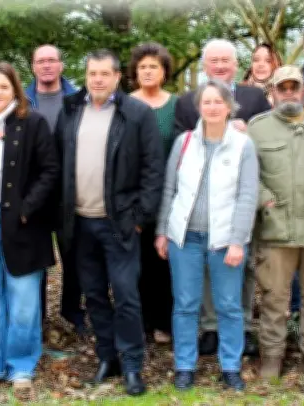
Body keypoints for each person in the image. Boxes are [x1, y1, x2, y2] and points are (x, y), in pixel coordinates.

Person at [55, 49, 163, 396]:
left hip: (119, 224)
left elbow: (153, 169)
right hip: (80, 222)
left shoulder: (137, 113)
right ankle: (107, 357)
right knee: (94, 295)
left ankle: (132, 365)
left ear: (118, 77)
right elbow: (58, 162)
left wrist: (139, 218)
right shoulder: (71, 109)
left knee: (127, 295)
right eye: (92, 73)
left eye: (105, 73)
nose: (98, 79)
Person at [0, 62, 60, 399]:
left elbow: (50, 170)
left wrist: (26, 208)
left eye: (4, 87)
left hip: (22, 223)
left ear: (15, 90)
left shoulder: (33, 123)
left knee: (23, 300)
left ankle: (20, 365)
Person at [156, 79, 258, 391]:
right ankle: (185, 366)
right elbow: (170, 189)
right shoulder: (184, 142)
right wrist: (162, 231)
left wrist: (238, 241)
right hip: (184, 238)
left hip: (224, 239)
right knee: (185, 304)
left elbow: (247, 196)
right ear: (199, 107)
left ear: (229, 107)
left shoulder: (243, 145)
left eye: (218, 102)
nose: (212, 107)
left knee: (229, 305)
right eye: (206, 102)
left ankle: (230, 367)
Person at [174, 38, 269, 357]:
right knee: (206, 265)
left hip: (241, 195)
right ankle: (211, 327)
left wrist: (247, 133)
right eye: (213, 60)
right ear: (204, 65)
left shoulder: (255, 97)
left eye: (225, 60)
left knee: (243, 263)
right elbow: (181, 145)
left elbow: (267, 141)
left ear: (236, 64)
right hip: (201, 199)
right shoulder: (187, 102)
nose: (219, 66)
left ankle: (244, 326)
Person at [248, 65, 304, 380]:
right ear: (272, 92)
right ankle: (272, 358)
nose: (288, 93)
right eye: (281, 88)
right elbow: (248, 173)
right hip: (276, 228)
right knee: (274, 298)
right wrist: (264, 198)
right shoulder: (258, 128)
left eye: (293, 87)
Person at [25, 44, 82, 331]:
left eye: (51, 60)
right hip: (33, 189)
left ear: (61, 65)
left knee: (73, 254)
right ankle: (36, 315)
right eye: (41, 61)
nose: (46, 65)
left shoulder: (77, 100)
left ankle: (72, 312)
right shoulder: (22, 100)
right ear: (33, 67)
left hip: (68, 189)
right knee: (35, 255)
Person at [129, 42, 177, 345]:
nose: (147, 71)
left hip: (168, 194)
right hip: (132, 195)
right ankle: (139, 321)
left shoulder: (177, 106)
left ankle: (163, 322)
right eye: (143, 67)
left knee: (163, 261)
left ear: (164, 71)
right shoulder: (124, 104)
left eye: (153, 67)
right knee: (135, 261)